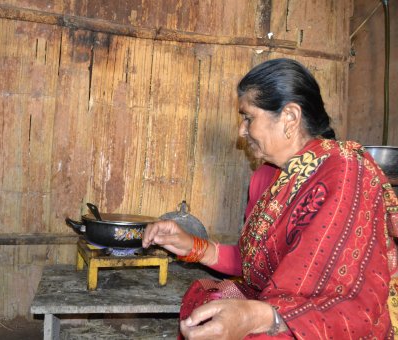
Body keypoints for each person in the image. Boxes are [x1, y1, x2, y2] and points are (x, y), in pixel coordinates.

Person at [142, 58, 398, 339]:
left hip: (331, 326)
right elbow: (250, 262)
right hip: (275, 308)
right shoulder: (265, 178)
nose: (242, 130)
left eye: (248, 117)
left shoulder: (346, 171)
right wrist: (190, 245)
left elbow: (349, 301)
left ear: (289, 117)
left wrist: (258, 316)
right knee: (209, 306)